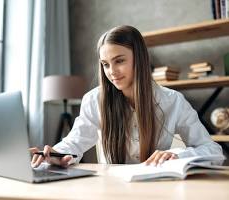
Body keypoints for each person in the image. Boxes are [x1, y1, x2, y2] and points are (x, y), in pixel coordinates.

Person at [31, 25, 223, 168]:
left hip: (158, 189)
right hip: (112, 190)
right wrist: (54, 153)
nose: (112, 72)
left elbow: (214, 152)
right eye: (105, 64)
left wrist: (176, 155)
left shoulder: (172, 100)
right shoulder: (94, 99)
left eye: (119, 61)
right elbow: (75, 142)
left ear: (139, 58)